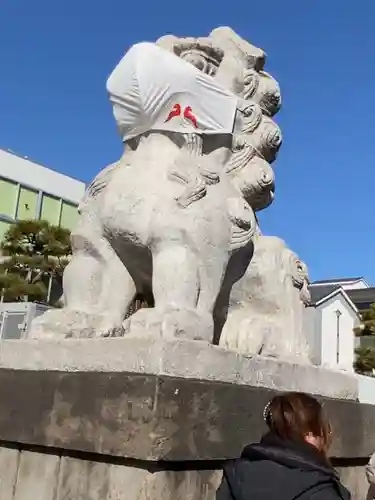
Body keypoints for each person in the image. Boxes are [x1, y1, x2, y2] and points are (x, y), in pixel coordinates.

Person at [217, 392, 350, 500]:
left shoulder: (236, 475)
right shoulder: (320, 488)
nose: (327, 440)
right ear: (309, 433)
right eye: (325, 431)